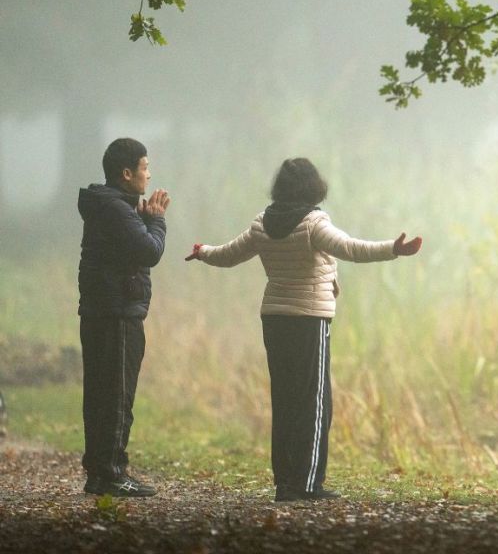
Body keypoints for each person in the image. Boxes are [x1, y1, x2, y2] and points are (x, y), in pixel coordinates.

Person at [185, 157, 421, 502]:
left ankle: (286, 482)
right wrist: (393, 250)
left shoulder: (261, 224)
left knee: (285, 400)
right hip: (309, 320)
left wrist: (203, 251)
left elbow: (229, 255)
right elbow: (351, 248)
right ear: (314, 187)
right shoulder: (313, 223)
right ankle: (308, 483)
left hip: (275, 318)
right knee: (315, 403)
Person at [78, 137, 170, 497]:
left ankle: (100, 472)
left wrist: (144, 218)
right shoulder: (116, 209)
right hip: (116, 313)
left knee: (99, 395)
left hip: (101, 310)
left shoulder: (109, 206)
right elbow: (150, 251)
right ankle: (112, 473)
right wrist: (158, 222)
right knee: (116, 396)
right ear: (127, 172)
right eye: (145, 167)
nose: (149, 175)